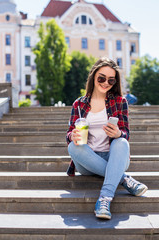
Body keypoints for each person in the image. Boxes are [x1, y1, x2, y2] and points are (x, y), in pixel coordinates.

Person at [66, 57, 148, 220]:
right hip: (88, 161)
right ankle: (124, 178)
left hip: (115, 156)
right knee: (72, 147)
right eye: (101, 78)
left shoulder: (119, 102)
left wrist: (118, 133)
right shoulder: (79, 104)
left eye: (111, 80)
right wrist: (72, 136)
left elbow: (125, 133)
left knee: (122, 142)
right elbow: (69, 134)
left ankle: (104, 199)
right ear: (93, 76)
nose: (105, 83)